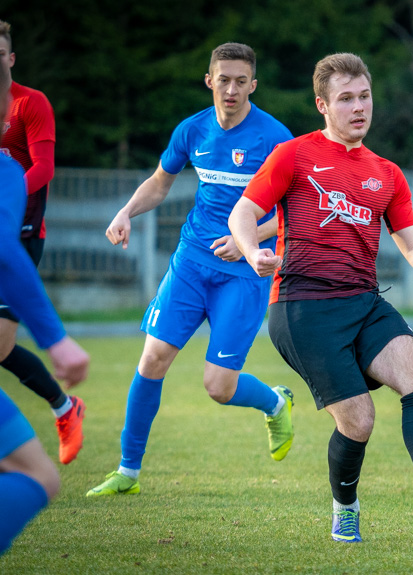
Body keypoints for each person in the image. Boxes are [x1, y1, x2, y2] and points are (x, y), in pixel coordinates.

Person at [229, 52, 413, 543]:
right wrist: (252, 253)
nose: (359, 107)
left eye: (365, 96)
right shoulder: (295, 156)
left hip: (363, 300)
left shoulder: (386, 173)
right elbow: (243, 214)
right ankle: (345, 507)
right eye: (346, 99)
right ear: (322, 106)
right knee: (359, 421)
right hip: (302, 308)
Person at [86, 42, 295, 497]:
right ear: (210, 81)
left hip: (244, 273)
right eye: (224, 80)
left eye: (242, 81)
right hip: (190, 264)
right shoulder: (192, 130)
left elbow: (295, 210)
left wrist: (249, 241)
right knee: (153, 358)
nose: (232, 89)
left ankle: (276, 403)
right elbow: (160, 183)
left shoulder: (277, 139)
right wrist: (125, 212)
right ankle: (127, 471)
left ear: (253, 85)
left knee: (218, 387)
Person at [0, 53, 90, 556]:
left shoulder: (33, 105)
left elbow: (46, 168)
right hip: (9, 242)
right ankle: (63, 404)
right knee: (37, 477)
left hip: (25, 235)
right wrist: (58, 341)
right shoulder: (3, 171)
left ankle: (63, 405)